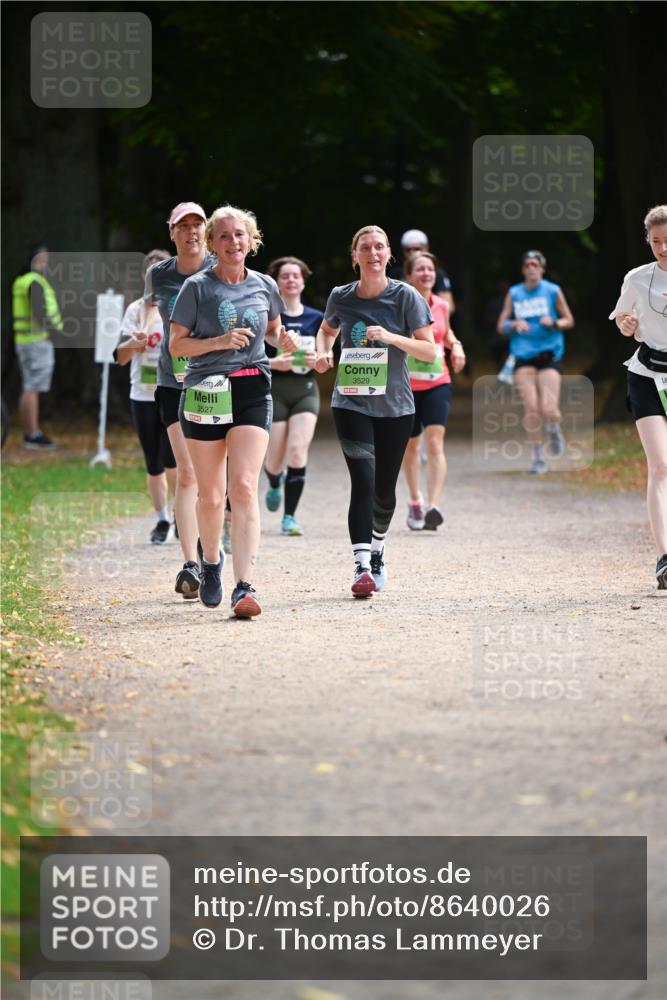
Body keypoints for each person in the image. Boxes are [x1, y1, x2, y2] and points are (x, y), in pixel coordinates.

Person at [170, 205, 298, 616]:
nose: (233, 242)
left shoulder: (264, 285)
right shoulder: (196, 288)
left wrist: (288, 342)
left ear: (251, 241)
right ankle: (211, 563)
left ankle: (245, 586)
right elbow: (177, 346)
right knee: (210, 496)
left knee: (243, 487)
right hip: (206, 390)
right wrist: (218, 341)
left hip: (251, 389)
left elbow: (275, 331)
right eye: (223, 236)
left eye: (239, 234)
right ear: (212, 243)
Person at [314, 225, 436, 597]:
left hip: (396, 406)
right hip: (350, 402)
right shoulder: (341, 296)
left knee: (384, 488)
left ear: (388, 254)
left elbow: (429, 351)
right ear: (355, 257)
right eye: (365, 248)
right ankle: (362, 565)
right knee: (363, 481)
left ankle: (379, 548)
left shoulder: (406, 297)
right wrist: (323, 352)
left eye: (379, 247)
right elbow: (326, 331)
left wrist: (389, 336)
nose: (372, 253)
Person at [144, 201, 215, 598]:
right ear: (171, 233)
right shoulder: (158, 275)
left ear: (205, 231)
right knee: (186, 472)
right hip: (173, 382)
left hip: (214, 385)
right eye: (182, 226)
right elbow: (149, 316)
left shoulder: (219, 267)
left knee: (213, 480)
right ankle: (192, 563)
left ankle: (212, 551)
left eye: (196, 225)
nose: (190, 232)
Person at [610, 204, 667, 590]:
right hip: (646, 375)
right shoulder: (636, 278)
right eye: (657, 241)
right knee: (661, 466)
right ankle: (665, 558)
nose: (663, 248)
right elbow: (621, 319)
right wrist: (627, 323)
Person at [115, 249, 177, 544]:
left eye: (161, 269)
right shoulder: (135, 310)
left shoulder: (180, 303)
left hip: (173, 391)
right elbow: (121, 358)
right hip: (142, 394)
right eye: (150, 271)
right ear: (144, 276)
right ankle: (162, 519)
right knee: (153, 461)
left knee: (173, 460)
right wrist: (133, 342)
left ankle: (181, 515)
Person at [402, 251, 466, 531]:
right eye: (420, 269)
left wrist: (457, 345)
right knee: (412, 445)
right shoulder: (400, 303)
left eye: (430, 269)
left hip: (439, 380)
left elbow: (446, 333)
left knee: (435, 442)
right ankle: (415, 500)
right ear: (409, 275)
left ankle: (433, 506)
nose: (426, 273)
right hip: (407, 384)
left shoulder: (440, 304)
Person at [496, 250, 575, 474]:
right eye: (527, 265)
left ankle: (553, 427)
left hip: (549, 355)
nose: (531, 268)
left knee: (549, 409)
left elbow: (569, 320)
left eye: (535, 265)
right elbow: (500, 325)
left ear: (542, 269)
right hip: (523, 357)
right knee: (531, 408)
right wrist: (513, 325)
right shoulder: (514, 293)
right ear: (523, 269)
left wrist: (554, 322)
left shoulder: (552, 291)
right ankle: (538, 457)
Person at [263, 256, 324, 535]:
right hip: (274, 390)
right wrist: (276, 363)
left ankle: (289, 517)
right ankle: (275, 481)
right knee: (274, 459)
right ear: (276, 283)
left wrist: (319, 359)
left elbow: (328, 357)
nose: (290, 280)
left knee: (298, 450)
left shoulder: (316, 318)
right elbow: (248, 358)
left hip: (305, 390)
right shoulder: (267, 318)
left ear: (303, 280)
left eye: (295, 275)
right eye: (284, 276)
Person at [12, 243, 63, 448]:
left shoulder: (21, 281)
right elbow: (39, 311)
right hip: (37, 341)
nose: (45, 262)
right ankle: (33, 433)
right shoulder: (35, 282)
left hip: (24, 341)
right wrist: (54, 331)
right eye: (41, 258)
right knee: (33, 388)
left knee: (28, 387)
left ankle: (29, 433)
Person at [389, 229, 455, 313]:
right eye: (408, 249)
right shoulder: (395, 273)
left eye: (417, 249)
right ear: (408, 275)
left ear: (426, 248)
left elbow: (447, 306)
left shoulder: (438, 273)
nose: (412, 252)